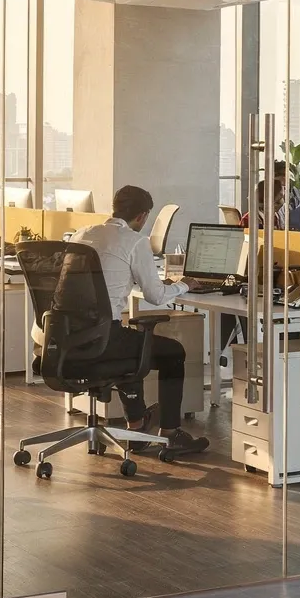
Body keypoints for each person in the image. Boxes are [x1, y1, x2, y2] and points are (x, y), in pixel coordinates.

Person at [77, 185, 209, 459]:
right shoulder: (135, 241)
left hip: (72, 338)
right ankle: (171, 434)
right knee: (172, 352)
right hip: (105, 341)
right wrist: (183, 285)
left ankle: (136, 427)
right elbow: (156, 295)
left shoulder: (83, 234)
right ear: (143, 215)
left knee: (133, 343)